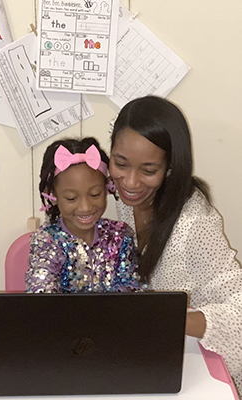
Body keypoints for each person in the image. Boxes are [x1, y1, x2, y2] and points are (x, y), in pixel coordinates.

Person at [109, 95, 242, 396]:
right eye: (120, 163)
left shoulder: (195, 223)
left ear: (170, 167)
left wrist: (168, 317)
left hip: (192, 365)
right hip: (144, 357)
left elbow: (239, 311)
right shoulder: (123, 201)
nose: (129, 182)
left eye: (148, 170)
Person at [25, 137, 141, 293]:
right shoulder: (47, 240)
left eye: (95, 194)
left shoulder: (120, 235)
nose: (85, 207)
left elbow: (131, 288)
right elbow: (42, 295)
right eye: (71, 198)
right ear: (52, 195)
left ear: (108, 187)